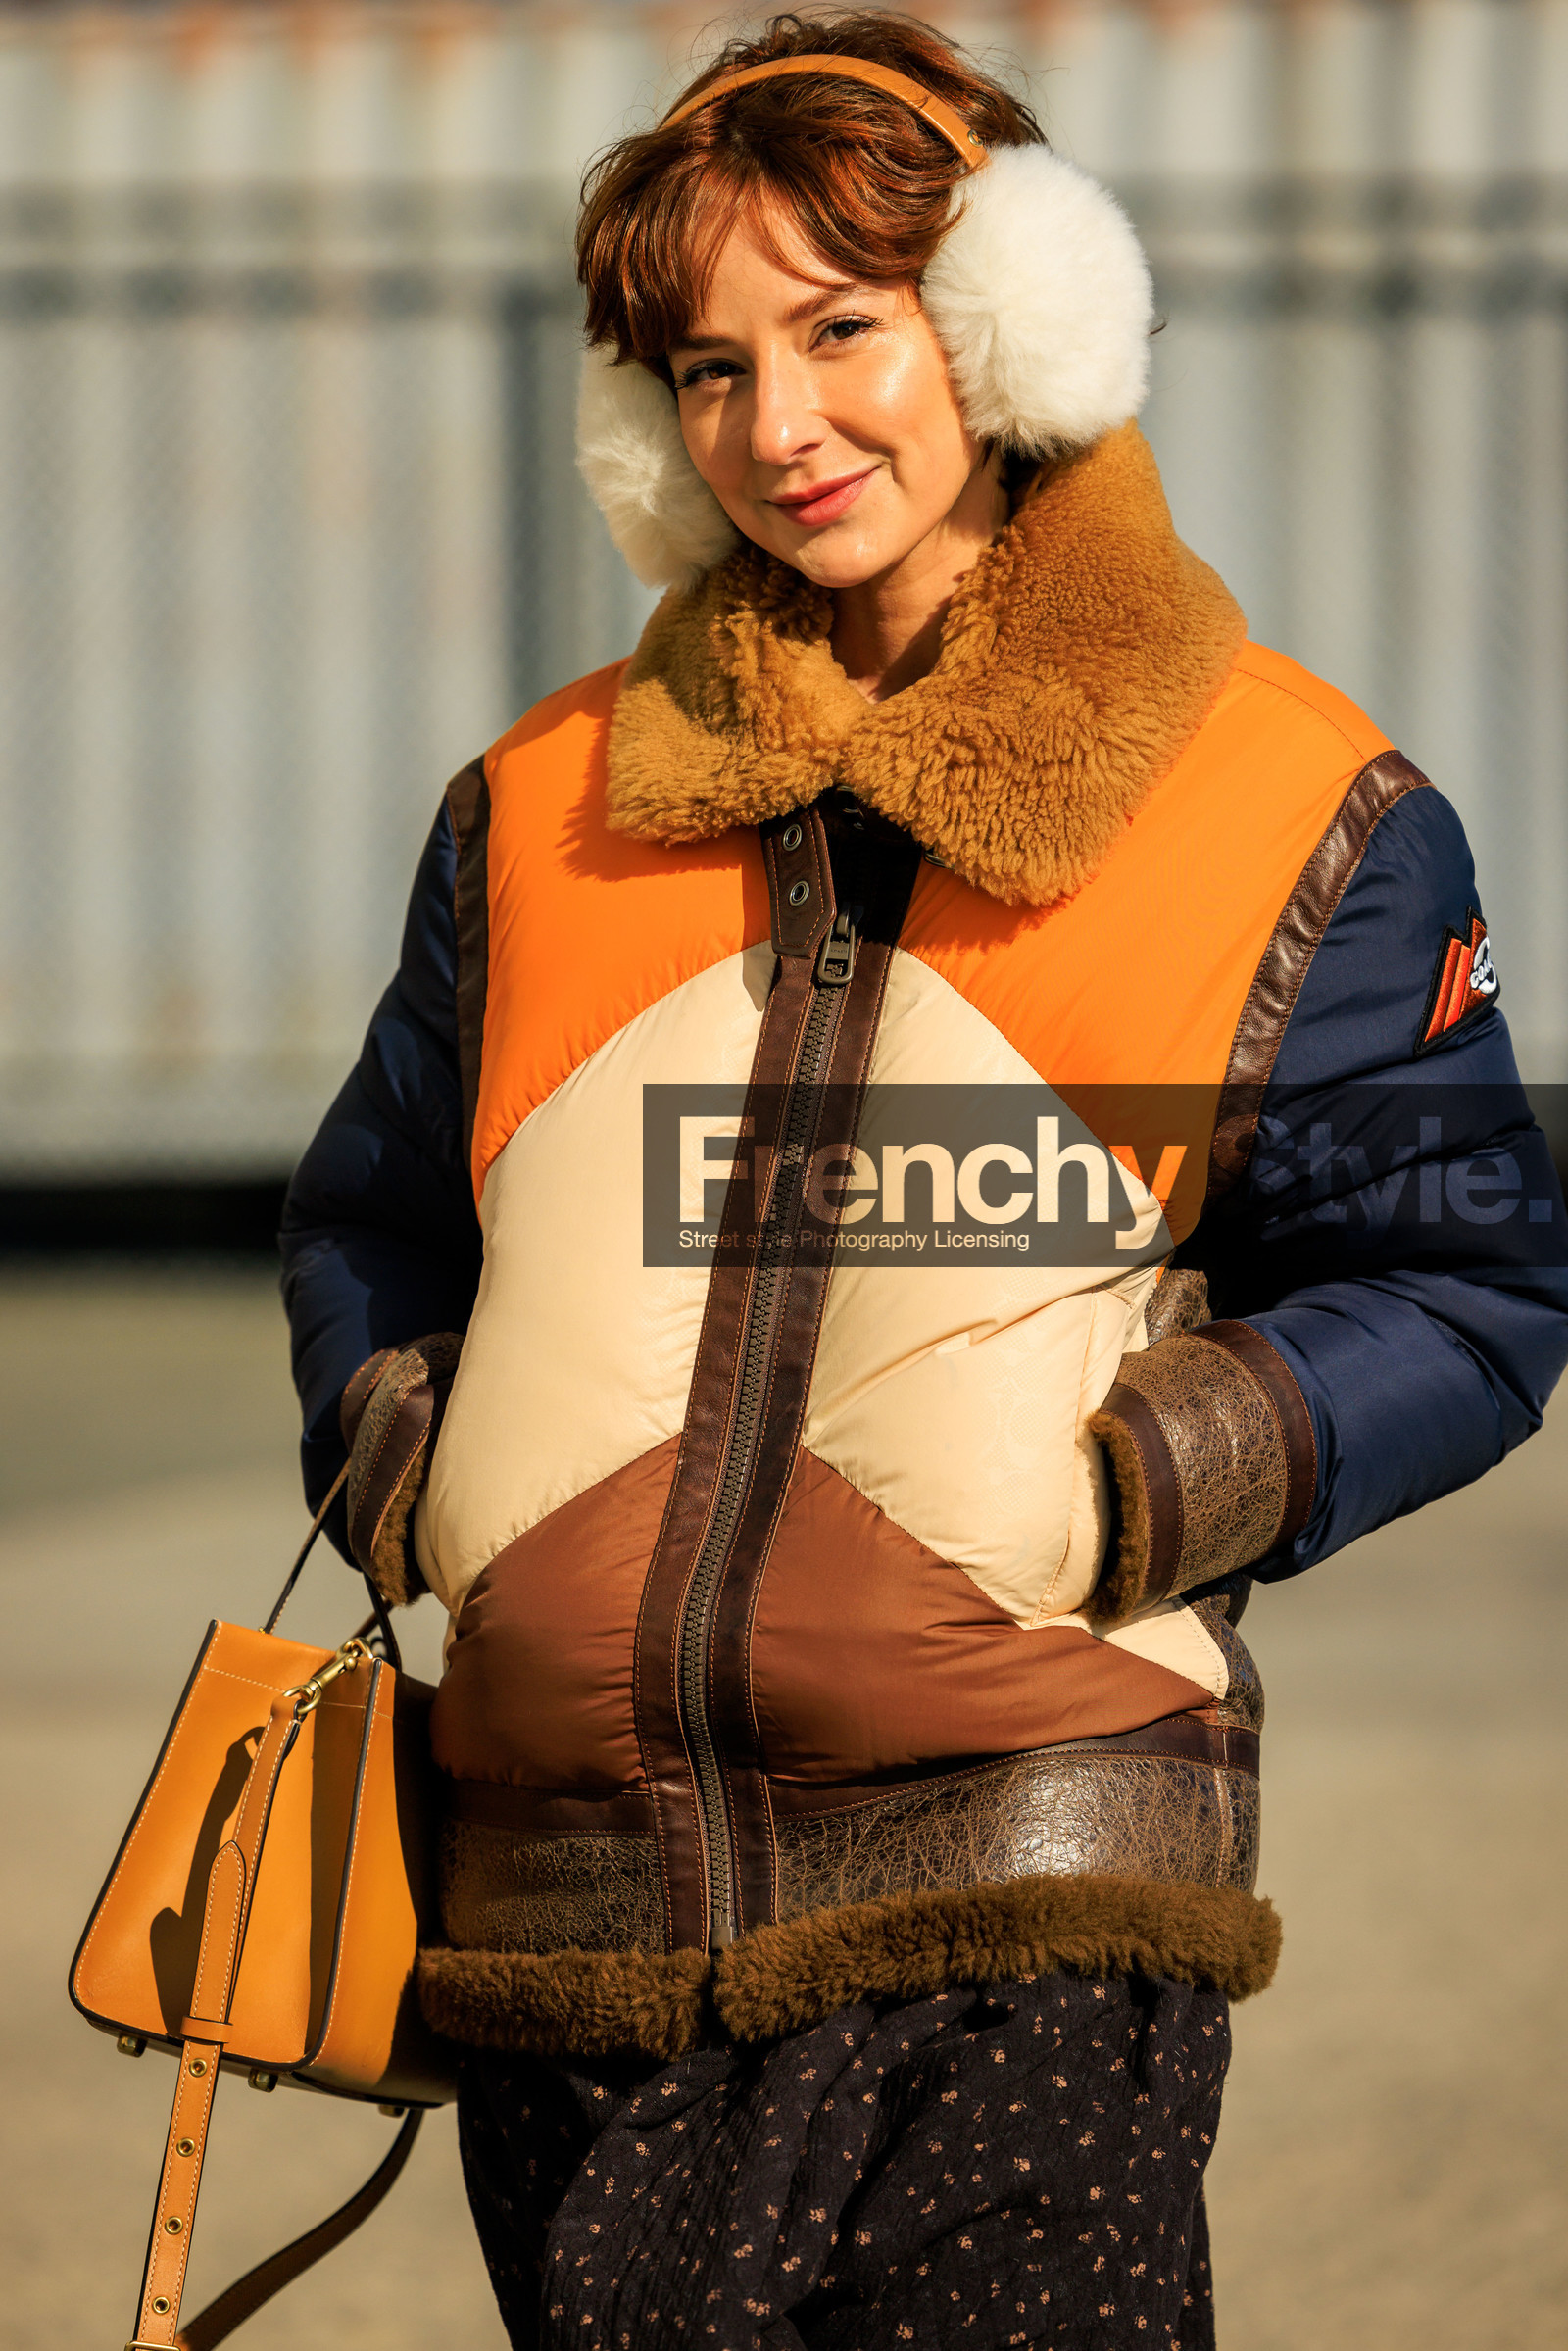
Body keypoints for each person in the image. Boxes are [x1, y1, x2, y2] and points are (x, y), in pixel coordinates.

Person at [280, 14, 1568, 2347]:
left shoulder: (1294, 810)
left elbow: (1462, 1292)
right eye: (701, 364)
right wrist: (414, 1464)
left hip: (1035, 1900)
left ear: (1002, 329)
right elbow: (372, 1216)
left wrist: (1114, 1501)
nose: (775, 428)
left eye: (840, 330)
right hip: (566, 1933)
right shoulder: (533, 811)